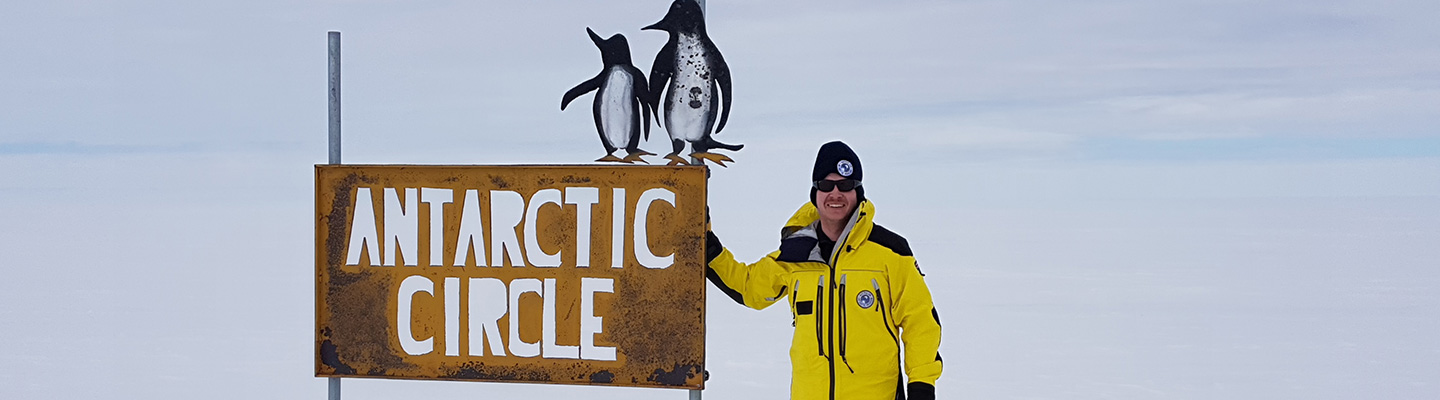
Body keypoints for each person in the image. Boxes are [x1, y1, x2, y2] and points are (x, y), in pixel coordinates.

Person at [706, 141, 942, 400]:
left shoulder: (891, 252)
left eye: (846, 185)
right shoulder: (796, 254)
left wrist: (921, 385)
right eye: (826, 185)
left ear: (858, 192)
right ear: (815, 193)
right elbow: (748, 287)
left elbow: (920, 321)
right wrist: (707, 245)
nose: (835, 194)